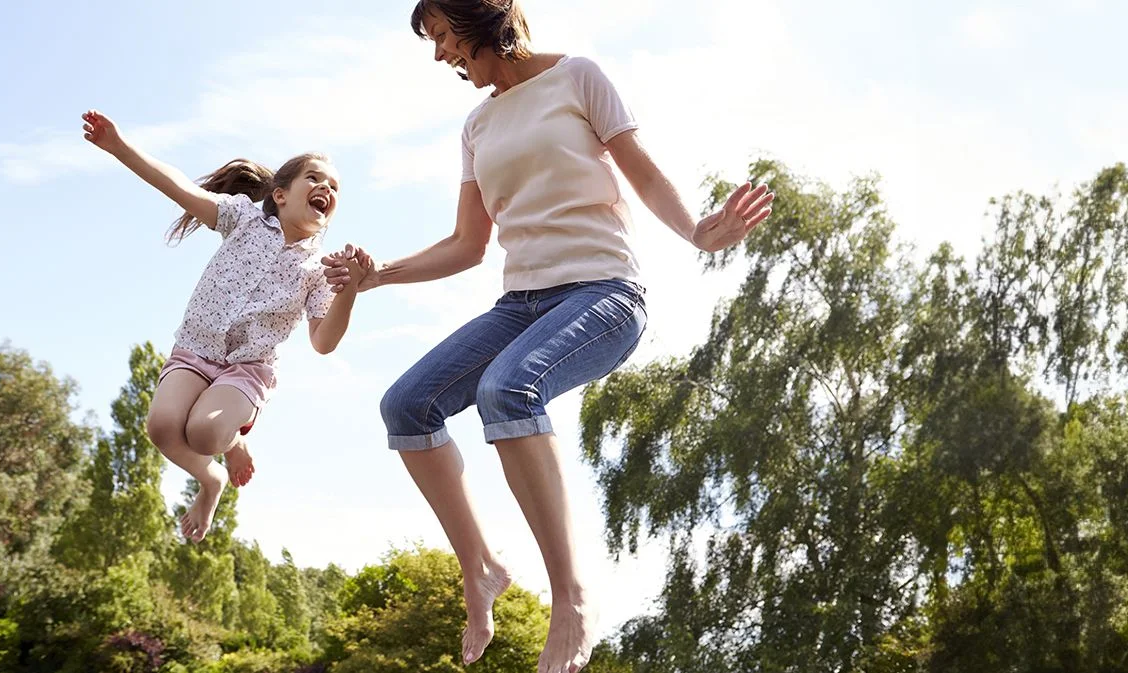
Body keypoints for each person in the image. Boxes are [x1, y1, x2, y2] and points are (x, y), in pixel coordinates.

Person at [322, 2, 774, 670]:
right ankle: (479, 569)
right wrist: (375, 276)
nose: (439, 54)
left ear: (479, 19)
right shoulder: (476, 125)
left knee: (509, 387)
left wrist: (698, 232)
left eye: (443, 35)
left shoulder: (577, 77)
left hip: (603, 292)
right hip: (521, 303)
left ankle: (572, 598)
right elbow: (467, 244)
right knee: (406, 404)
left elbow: (641, 172)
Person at [82, 109, 370, 543]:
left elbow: (324, 342)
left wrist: (349, 290)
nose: (325, 188)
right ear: (279, 195)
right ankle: (212, 478)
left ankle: (228, 443)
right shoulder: (242, 218)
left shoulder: (319, 270)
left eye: (333, 187)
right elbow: (177, 186)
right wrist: (119, 147)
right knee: (161, 426)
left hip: (246, 369)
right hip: (195, 351)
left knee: (203, 433)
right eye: (314, 179)